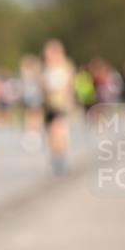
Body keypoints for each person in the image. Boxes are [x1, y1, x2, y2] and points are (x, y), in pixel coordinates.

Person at [41, 38, 76, 175]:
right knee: (51, 133)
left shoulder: (65, 66)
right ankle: (55, 156)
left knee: (58, 130)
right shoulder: (45, 67)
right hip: (49, 105)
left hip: (61, 105)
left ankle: (61, 157)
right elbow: (42, 85)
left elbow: (69, 84)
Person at [19, 53, 45, 151]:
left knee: (37, 113)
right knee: (29, 114)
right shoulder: (25, 74)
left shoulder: (38, 73)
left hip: (36, 96)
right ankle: (29, 132)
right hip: (28, 97)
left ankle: (36, 132)